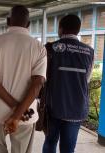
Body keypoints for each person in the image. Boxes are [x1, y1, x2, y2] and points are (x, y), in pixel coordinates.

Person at [0, 5, 47, 153]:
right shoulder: (39, 47)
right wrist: (18, 113)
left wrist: (14, 107)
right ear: (28, 24)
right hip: (25, 114)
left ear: (7, 21)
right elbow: (38, 83)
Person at [42, 14, 94, 153]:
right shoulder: (89, 51)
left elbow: (42, 78)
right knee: (68, 148)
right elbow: (87, 78)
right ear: (78, 30)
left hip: (53, 107)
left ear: (61, 29)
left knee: (50, 142)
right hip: (76, 109)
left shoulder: (49, 48)